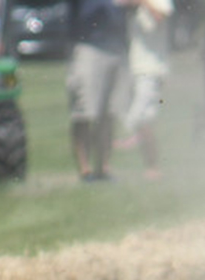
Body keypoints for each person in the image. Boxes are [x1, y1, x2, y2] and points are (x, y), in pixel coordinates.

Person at [66, 0, 125, 181]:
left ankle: (104, 168)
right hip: (88, 46)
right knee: (84, 112)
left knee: (109, 113)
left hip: (117, 48)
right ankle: (85, 170)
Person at [116, 0, 168, 180]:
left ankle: (130, 135)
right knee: (146, 119)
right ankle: (152, 167)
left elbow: (161, 17)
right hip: (135, 66)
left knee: (139, 115)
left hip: (152, 68)